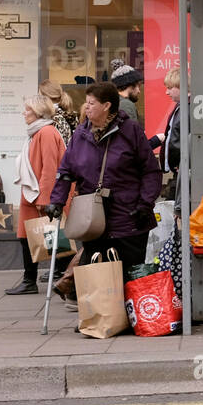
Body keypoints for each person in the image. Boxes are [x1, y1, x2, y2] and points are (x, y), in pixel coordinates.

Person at [47, 82, 162, 270]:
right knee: (98, 276)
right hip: (92, 219)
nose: (86, 107)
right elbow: (66, 170)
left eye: (91, 103)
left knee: (128, 274)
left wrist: (144, 203)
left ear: (106, 106)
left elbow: (150, 171)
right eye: (86, 103)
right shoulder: (80, 134)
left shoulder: (130, 131)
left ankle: (128, 301)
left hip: (128, 216)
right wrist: (57, 200)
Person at [6, 95, 69, 295]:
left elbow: (50, 168)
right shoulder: (37, 132)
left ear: (39, 112)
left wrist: (45, 199)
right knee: (26, 238)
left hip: (41, 196)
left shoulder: (47, 132)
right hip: (32, 195)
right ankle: (30, 280)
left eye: (27, 110)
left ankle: (65, 279)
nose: (24, 113)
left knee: (55, 240)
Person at [149, 68, 183, 177]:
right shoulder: (179, 106)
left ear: (180, 86)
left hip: (180, 168)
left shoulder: (187, 108)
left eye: (169, 88)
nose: (166, 92)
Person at [40, 79, 78, 147]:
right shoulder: (66, 116)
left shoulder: (54, 119)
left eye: (39, 97)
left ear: (46, 98)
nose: (38, 101)